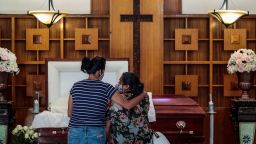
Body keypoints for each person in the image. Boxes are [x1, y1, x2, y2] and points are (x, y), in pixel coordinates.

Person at [67, 56, 146, 144]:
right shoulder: (106, 87)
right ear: (100, 71)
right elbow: (127, 105)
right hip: (96, 132)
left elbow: (70, 113)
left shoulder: (75, 86)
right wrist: (142, 94)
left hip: (75, 131)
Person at [106, 72, 152, 144]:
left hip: (122, 139)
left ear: (127, 86)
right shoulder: (145, 97)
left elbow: (109, 122)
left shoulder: (117, 99)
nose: (118, 85)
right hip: (143, 138)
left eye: (120, 82)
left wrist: (107, 137)